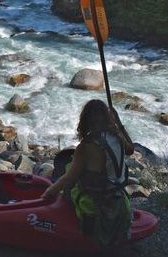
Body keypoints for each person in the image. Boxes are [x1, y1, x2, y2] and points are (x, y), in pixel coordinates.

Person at [42, 99, 134, 246]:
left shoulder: (86, 147)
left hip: (96, 207)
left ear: (84, 121)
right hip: (119, 200)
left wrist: (48, 194)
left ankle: (68, 219)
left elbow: (68, 180)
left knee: (66, 174)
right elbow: (131, 150)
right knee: (73, 168)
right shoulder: (118, 136)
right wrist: (118, 124)